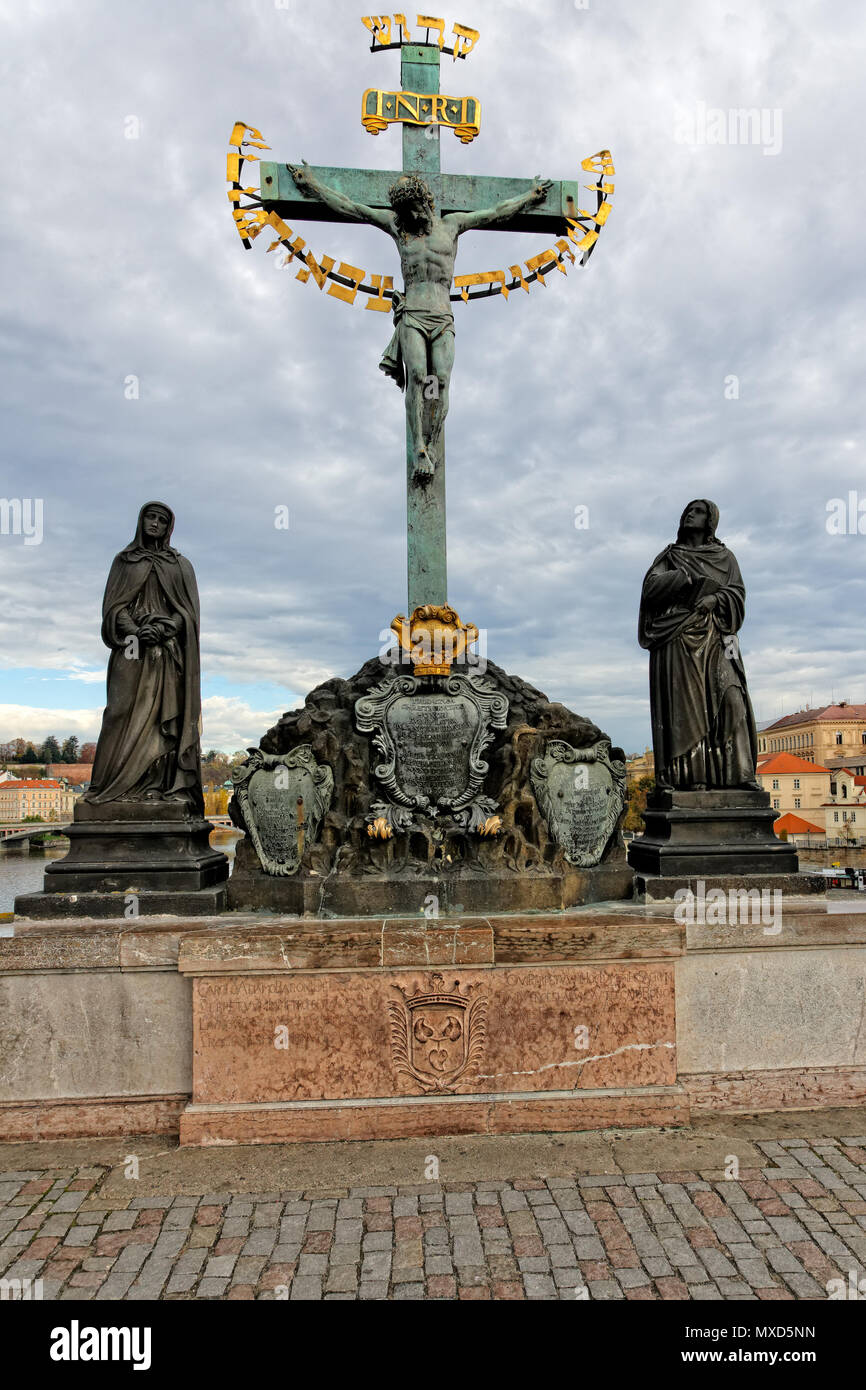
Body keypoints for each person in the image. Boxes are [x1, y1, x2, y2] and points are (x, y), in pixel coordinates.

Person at [288, 162, 552, 479]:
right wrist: (312, 186)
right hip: (413, 314)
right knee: (417, 376)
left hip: (442, 316)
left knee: (439, 381)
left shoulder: (452, 225)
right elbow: (352, 207)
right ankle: (419, 449)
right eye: (406, 213)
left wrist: (529, 197)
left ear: (425, 201)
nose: (412, 217)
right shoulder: (398, 227)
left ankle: (431, 440)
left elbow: (496, 212)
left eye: (414, 209)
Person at [84, 502, 204, 812]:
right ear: (141, 521)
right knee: (119, 711)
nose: (155, 523)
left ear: (168, 527)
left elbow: (188, 613)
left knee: (163, 718)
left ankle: (156, 787)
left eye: (162, 520)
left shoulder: (180, 565)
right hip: (131, 647)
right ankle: (107, 786)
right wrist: (136, 630)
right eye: (150, 517)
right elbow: (113, 607)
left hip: (167, 652)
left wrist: (164, 628)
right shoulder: (124, 561)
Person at [638, 499, 760, 791]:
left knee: (733, 698)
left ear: (710, 521)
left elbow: (737, 596)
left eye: (699, 511)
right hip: (679, 638)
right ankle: (694, 779)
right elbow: (650, 589)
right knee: (689, 710)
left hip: (719, 637)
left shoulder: (725, 557)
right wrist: (682, 578)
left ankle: (740, 774)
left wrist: (716, 599)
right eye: (688, 511)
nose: (690, 514)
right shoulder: (670, 556)